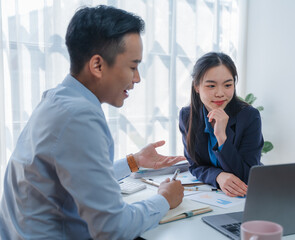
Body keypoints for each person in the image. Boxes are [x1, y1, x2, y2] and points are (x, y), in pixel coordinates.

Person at [0, 5, 184, 240]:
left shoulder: (57, 100)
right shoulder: (80, 117)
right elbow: (112, 228)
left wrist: (133, 161)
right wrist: (165, 199)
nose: (137, 79)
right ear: (97, 65)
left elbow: (74, 174)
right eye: (133, 67)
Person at [179, 52, 264, 197]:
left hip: (245, 195)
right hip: (211, 194)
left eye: (228, 85)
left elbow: (247, 175)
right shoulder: (187, 115)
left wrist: (222, 138)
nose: (220, 93)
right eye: (211, 86)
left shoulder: (249, 116)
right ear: (197, 87)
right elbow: (195, 166)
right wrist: (218, 176)